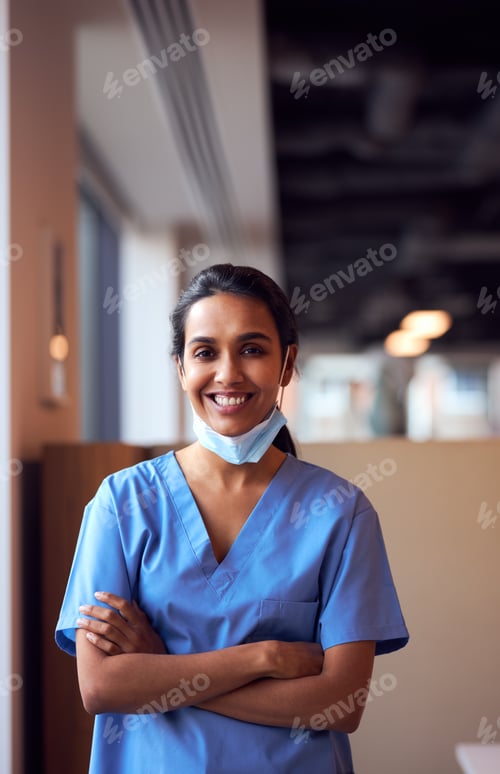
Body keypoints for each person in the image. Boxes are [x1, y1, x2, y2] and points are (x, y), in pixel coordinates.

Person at [56, 263, 409, 773]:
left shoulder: (340, 513)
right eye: (205, 352)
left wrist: (163, 673)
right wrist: (261, 658)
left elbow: (341, 704)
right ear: (181, 368)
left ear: (286, 364)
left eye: (252, 349)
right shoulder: (122, 504)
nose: (228, 374)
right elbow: (101, 687)